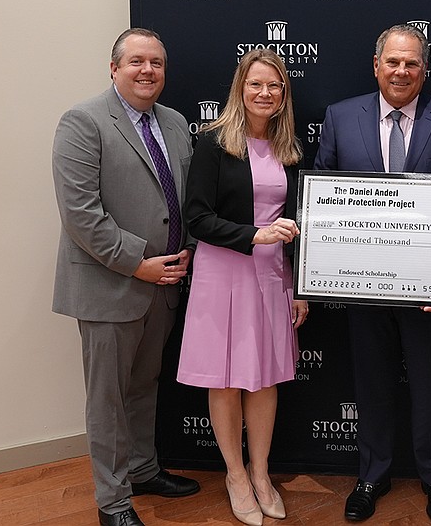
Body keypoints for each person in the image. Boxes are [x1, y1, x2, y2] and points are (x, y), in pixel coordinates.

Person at [314, 23, 431, 525]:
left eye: (412, 63)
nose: (402, 71)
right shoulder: (341, 117)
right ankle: (372, 474)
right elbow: (320, 196)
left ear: (424, 69)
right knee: (370, 381)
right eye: (393, 62)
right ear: (376, 65)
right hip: (361, 284)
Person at [52, 28, 200, 526]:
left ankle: (143, 469)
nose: (147, 71)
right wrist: (139, 262)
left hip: (166, 284)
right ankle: (112, 502)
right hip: (111, 283)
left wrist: (185, 253)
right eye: (136, 61)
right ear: (114, 68)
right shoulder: (83, 121)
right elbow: (80, 215)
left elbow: (185, 202)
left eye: (157, 63)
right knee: (108, 399)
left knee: (144, 385)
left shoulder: (176, 123)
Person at [177, 49, 308, 526]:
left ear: (284, 95)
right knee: (227, 378)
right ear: (240, 88)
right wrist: (253, 235)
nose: (265, 93)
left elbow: (299, 224)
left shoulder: (289, 149)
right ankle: (234, 475)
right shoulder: (213, 143)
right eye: (256, 85)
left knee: (265, 376)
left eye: (274, 86)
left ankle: (261, 472)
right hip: (222, 272)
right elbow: (198, 218)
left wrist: (300, 287)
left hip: (273, 275)